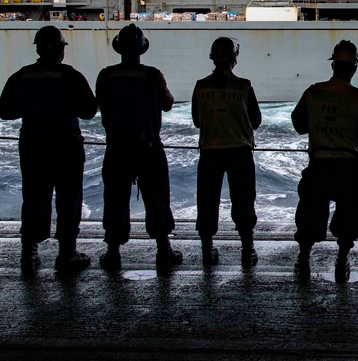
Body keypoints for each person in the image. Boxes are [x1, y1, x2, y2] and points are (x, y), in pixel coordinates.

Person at [0, 26, 97, 274]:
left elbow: (6, 111)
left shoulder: (21, 76)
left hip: (33, 145)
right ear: (58, 49)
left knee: (34, 198)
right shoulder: (71, 76)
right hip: (66, 144)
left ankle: (29, 253)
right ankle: (67, 254)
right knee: (69, 200)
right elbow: (88, 111)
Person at [291, 40, 358, 281]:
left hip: (319, 163)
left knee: (309, 215)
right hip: (348, 166)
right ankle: (341, 261)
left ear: (333, 65)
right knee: (348, 218)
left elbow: (299, 125)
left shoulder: (313, 91)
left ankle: (303, 259)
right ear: (353, 67)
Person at [96, 24, 182, 271]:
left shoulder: (105, 75)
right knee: (157, 199)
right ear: (141, 49)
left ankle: (113, 253)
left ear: (119, 49)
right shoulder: (153, 75)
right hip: (148, 147)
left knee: (114, 200)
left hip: (116, 148)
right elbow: (167, 104)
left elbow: (98, 105)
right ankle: (164, 250)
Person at [191, 37, 262, 267]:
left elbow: (197, 121)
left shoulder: (201, 86)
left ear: (213, 59)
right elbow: (256, 121)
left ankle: (207, 250)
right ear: (234, 59)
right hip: (239, 151)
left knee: (207, 202)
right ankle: (247, 250)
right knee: (243, 201)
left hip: (210, 151)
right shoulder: (244, 85)